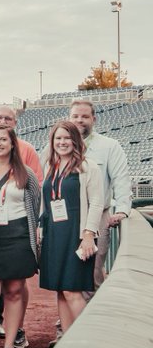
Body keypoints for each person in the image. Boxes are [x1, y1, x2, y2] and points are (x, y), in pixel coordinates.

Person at [0, 126, 40, 348]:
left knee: (14, 291)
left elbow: (35, 205)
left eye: (4, 139)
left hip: (18, 236)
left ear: (13, 143)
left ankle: (9, 344)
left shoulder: (26, 173)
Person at [39, 121, 105, 335]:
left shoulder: (88, 167)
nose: (62, 142)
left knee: (72, 290)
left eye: (67, 138)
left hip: (77, 235)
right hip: (54, 235)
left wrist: (88, 234)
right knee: (60, 290)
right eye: (58, 138)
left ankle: (87, 339)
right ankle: (66, 340)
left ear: (76, 140)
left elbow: (97, 202)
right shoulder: (51, 166)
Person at [67, 100, 131, 291]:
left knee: (93, 268)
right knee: (68, 269)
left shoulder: (109, 146)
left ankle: (93, 307)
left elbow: (121, 179)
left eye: (85, 116)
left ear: (93, 119)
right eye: (75, 116)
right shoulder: (59, 145)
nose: (80, 120)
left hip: (98, 214)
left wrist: (122, 210)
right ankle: (74, 307)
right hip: (67, 216)